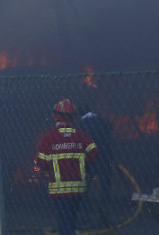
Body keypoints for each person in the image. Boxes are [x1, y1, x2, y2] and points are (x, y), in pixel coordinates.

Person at [35, 99, 99, 235]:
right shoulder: (81, 135)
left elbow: (41, 163)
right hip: (78, 187)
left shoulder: (49, 137)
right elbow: (93, 153)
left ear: (55, 116)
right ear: (73, 117)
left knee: (64, 219)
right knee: (71, 217)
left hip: (58, 189)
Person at [78, 105, 115, 221]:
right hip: (105, 157)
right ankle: (103, 212)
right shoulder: (103, 120)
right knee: (105, 185)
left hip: (88, 158)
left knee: (85, 185)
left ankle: (85, 213)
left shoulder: (81, 124)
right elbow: (110, 132)